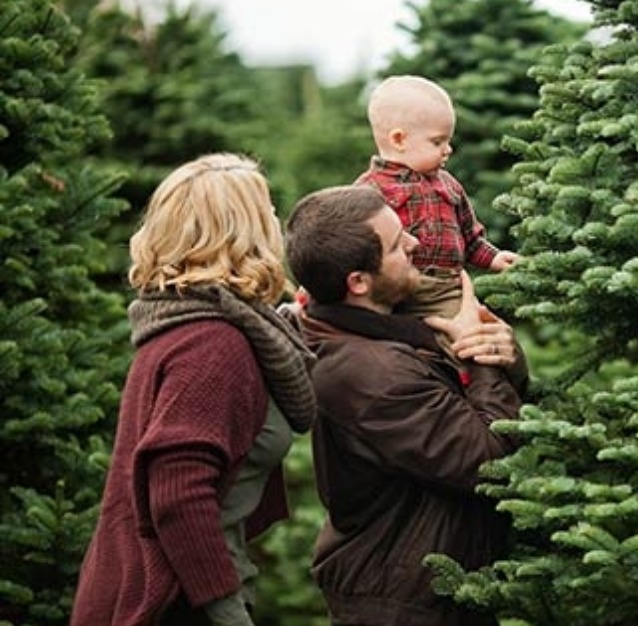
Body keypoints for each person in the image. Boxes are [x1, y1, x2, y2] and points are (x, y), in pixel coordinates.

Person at [71, 154, 317, 626]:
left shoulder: (198, 320)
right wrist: (226, 613)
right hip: (172, 603)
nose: (275, 220)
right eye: (265, 210)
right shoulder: (212, 346)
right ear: (238, 232)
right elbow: (178, 492)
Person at [283, 184, 528, 626]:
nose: (416, 244)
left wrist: (502, 350)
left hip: (430, 590)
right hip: (403, 602)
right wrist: (478, 354)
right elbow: (491, 463)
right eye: (397, 244)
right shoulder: (370, 374)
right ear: (358, 282)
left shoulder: (386, 327)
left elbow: (477, 401)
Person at [355, 75, 519, 336]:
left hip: (445, 291)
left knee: (483, 340)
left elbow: (471, 240)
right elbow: (346, 249)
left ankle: (486, 377)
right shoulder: (368, 192)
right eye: (437, 141)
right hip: (394, 293)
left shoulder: (449, 185)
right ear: (399, 140)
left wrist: (496, 258)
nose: (448, 149)